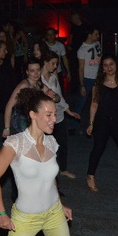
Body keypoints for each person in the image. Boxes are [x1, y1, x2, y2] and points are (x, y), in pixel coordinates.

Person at [0, 87, 74, 236]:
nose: (54, 119)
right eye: (48, 115)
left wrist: (60, 204)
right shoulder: (15, 144)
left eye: (54, 114)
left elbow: (50, 179)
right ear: (33, 115)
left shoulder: (52, 142)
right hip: (25, 219)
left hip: (54, 214)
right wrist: (1, 213)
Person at [85, 55, 118, 192]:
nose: (109, 68)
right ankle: (90, 175)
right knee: (98, 148)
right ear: (102, 68)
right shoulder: (98, 85)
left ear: (116, 65)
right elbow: (94, 104)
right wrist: (91, 123)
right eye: (105, 65)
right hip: (102, 121)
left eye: (111, 64)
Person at [40, 50, 80, 179]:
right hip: (45, 118)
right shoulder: (38, 80)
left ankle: (63, 169)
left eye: (57, 63)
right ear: (45, 63)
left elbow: (60, 96)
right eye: (53, 63)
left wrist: (68, 110)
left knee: (62, 144)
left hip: (59, 115)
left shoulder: (53, 78)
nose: (55, 66)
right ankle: (44, 172)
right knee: (45, 146)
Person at [74, 25, 102, 131]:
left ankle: (96, 122)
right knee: (81, 102)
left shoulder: (97, 44)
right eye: (96, 34)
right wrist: (82, 85)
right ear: (90, 35)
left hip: (98, 77)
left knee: (97, 101)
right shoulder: (82, 49)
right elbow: (80, 68)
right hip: (87, 78)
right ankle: (73, 125)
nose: (98, 36)